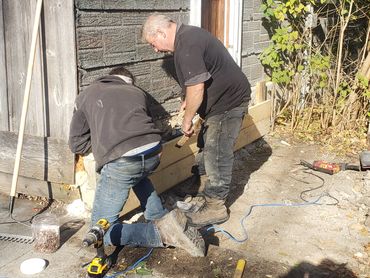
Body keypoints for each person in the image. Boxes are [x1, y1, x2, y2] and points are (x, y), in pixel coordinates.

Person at [68, 66, 205, 257]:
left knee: (100, 231)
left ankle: (160, 233)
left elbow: (76, 144)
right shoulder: (137, 92)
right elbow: (140, 128)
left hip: (123, 159)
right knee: (138, 174)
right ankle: (159, 217)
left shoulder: (86, 94)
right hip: (154, 151)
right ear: (129, 82)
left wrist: (101, 145)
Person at [142, 14, 251, 227]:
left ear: (161, 33)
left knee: (217, 151)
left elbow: (197, 87)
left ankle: (216, 206)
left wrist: (187, 119)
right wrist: (186, 99)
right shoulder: (186, 39)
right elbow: (194, 79)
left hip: (229, 102)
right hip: (218, 102)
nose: (155, 50)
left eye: (153, 43)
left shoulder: (188, 43)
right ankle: (201, 186)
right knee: (205, 145)